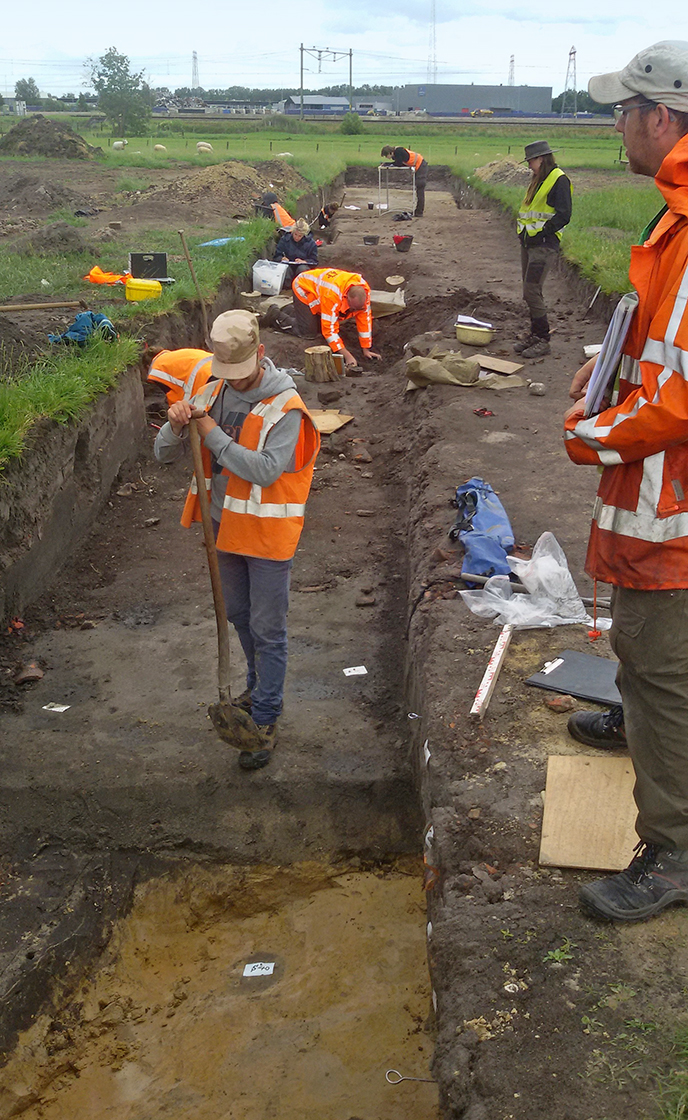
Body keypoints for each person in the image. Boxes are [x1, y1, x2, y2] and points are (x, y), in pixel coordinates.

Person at [564, 40, 688, 922]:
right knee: (653, 661)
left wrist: (590, 434)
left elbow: (680, 393)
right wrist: (599, 366)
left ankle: (676, 853)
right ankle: (640, 723)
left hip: (673, 506)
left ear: (661, 117)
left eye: (622, 111)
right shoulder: (672, 217)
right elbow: (657, 347)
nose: (615, 127)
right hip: (662, 492)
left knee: (664, 662)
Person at [148, 311, 320, 771]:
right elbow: (162, 453)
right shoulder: (211, 388)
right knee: (240, 616)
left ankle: (265, 719)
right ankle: (254, 687)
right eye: (226, 375)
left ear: (260, 355)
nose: (233, 384)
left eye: (240, 374)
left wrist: (211, 432)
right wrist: (177, 422)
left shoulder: (287, 408)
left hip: (266, 536)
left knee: (268, 630)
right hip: (223, 528)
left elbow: (265, 469)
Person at [514, 140, 572, 359]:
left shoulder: (559, 180)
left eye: (531, 160)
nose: (529, 165)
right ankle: (535, 334)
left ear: (541, 159)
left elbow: (564, 214)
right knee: (529, 292)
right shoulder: (538, 180)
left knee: (532, 291)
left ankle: (543, 339)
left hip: (544, 245)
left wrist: (542, 232)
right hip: (529, 243)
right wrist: (523, 234)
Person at [269, 267, 382, 368]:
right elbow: (329, 330)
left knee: (317, 324)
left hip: (320, 289)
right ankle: (275, 315)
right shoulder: (332, 296)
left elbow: (364, 320)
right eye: (352, 308)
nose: (354, 312)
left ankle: (293, 311)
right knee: (308, 332)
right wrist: (347, 356)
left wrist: (366, 349)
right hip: (304, 287)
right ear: (346, 297)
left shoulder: (363, 294)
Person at [380, 145, 428, 217]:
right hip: (419, 165)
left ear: (390, 153)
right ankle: (418, 211)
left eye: (386, 156)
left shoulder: (398, 151)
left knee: (420, 188)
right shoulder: (397, 152)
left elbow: (398, 164)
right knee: (419, 189)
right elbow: (398, 162)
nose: (387, 157)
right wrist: (387, 164)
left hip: (421, 165)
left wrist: (387, 164)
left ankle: (419, 212)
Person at [273, 217, 319, 289]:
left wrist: (304, 261)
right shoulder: (285, 239)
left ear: (304, 235)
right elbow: (276, 256)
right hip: (289, 266)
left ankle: (301, 287)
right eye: (295, 234)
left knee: (302, 269)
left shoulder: (310, 243)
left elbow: (314, 261)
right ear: (292, 232)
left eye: (299, 236)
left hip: (302, 268)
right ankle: (287, 288)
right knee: (284, 268)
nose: (297, 237)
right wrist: (282, 258)